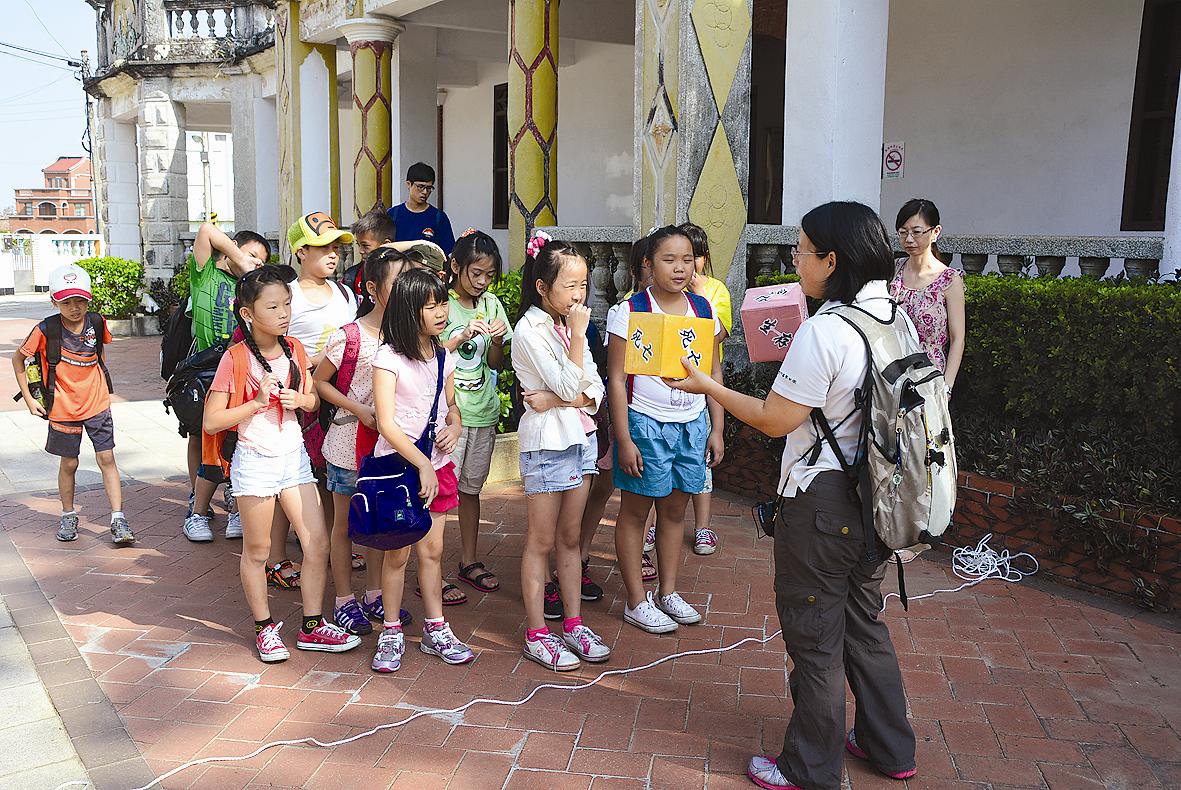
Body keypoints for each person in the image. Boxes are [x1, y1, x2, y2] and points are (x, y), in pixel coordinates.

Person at [666, 201, 918, 790]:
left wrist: (706, 385)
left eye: (802, 250)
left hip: (823, 501)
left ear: (832, 260)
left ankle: (808, 766)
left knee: (815, 633)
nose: (794, 260)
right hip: (879, 497)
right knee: (864, 623)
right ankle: (889, 745)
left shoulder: (826, 330)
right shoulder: (894, 317)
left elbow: (775, 419)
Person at [202, 266, 361, 663]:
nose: (283, 313)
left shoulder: (294, 349)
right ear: (247, 313)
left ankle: (312, 625)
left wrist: (300, 400)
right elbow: (212, 421)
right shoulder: (235, 358)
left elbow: (312, 399)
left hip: (293, 457)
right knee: (258, 550)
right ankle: (264, 628)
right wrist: (255, 403)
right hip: (254, 459)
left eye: (287, 304)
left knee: (317, 542)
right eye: (272, 307)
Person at [606, 225, 724, 635]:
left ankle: (668, 592)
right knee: (636, 511)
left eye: (687, 260)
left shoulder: (703, 310)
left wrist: (717, 427)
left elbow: (713, 373)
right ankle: (636, 601)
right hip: (645, 422)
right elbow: (617, 379)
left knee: (675, 511)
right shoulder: (631, 310)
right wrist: (624, 438)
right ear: (649, 264)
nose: (679, 268)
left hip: (692, 423)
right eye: (669, 259)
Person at [370, 269, 475, 671]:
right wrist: (422, 464)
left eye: (442, 303)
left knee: (432, 553)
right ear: (408, 310)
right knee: (396, 556)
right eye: (430, 306)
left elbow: (452, 405)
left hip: (437, 467)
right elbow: (386, 423)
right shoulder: (388, 358)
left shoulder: (444, 356)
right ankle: (390, 630)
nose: (441, 312)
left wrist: (455, 425)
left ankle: (436, 628)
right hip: (399, 471)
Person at [513, 233, 610, 670]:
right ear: (542, 286)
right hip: (547, 445)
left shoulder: (569, 326)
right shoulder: (529, 330)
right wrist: (577, 338)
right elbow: (576, 383)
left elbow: (596, 389)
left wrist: (555, 399)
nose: (579, 295)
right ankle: (537, 633)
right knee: (541, 541)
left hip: (581, 440)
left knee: (570, 539)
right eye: (570, 285)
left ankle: (573, 624)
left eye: (583, 285)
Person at [314, 249, 415, 636]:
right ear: (372, 288)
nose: (404, 288)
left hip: (388, 447)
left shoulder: (408, 335)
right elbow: (320, 382)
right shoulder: (349, 336)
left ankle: (374, 593)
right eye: (396, 281)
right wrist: (357, 408)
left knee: (379, 522)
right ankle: (343, 599)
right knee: (344, 525)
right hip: (347, 444)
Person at [267, 212, 358, 590]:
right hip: (298, 400)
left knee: (329, 477)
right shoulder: (288, 295)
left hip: (337, 400)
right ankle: (275, 557)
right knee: (289, 478)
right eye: (323, 247)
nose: (333, 254)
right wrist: (319, 361)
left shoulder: (346, 293)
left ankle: (332, 547)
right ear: (301, 251)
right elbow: (276, 346)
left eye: (336, 247)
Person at [12, 264, 134, 546]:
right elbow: (18, 358)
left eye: (80, 300)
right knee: (69, 462)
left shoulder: (97, 322)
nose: (74, 307)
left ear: (88, 299)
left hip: (97, 403)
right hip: (62, 407)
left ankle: (118, 518)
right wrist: (29, 399)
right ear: (54, 301)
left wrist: (99, 385)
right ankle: (68, 515)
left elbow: (98, 356)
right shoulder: (46, 329)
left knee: (107, 458)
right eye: (66, 302)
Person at [182, 223, 269, 544]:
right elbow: (206, 230)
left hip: (240, 377)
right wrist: (240, 258)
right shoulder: (205, 274)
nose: (256, 263)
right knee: (204, 440)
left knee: (235, 443)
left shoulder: (252, 291)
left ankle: (235, 507)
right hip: (206, 374)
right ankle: (198, 508)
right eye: (252, 255)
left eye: (262, 261)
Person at [890, 199, 965, 565]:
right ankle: (890, 526)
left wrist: (945, 388)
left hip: (929, 383)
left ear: (935, 232)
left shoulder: (950, 280)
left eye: (917, 231)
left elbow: (958, 339)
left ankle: (918, 535)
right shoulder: (893, 274)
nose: (909, 239)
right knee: (892, 455)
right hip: (891, 378)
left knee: (923, 460)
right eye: (903, 232)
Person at [441, 230, 512, 597]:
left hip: (482, 411)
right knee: (438, 494)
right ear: (456, 266)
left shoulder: (493, 304)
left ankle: (469, 561)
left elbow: (496, 362)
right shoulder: (440, 303)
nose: (483, 281)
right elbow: (428, 355)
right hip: (448, 416)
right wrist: (460, 336)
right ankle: (432, 571)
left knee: (470, 490)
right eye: (476, 273)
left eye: (490, 275)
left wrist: (497, 341)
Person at [679, 221, 732, 557]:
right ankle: (653, 525)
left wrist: (698, 298)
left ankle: (702, 527)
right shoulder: (663, 291)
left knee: (701, 464)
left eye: (696, 256)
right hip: (667, 388)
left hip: (704, 388)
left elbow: (719, 334)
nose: (690, 264)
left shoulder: (715, 290)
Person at [388, 162, 456, 255]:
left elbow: (447, 252)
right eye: (420, 187)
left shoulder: (439, 218)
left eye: (429, 188)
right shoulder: (393, 214)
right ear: (409, 184)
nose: (425, 192)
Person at [343, 207, 397, 312]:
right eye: (358, 245)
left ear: (386, 244)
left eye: (365, 246)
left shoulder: (400, 276)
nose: (360, 251)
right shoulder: (352, 276)